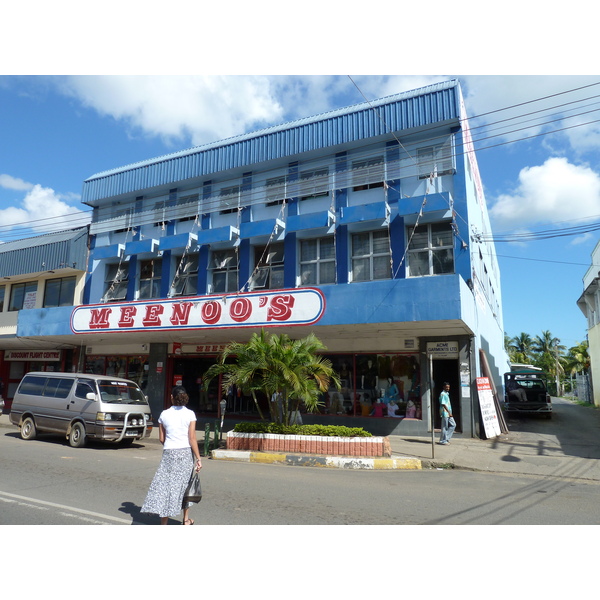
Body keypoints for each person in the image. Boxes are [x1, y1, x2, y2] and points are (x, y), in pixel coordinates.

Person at [141, 386, 202, 525]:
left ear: (172, 397)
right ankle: (186, 520)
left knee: (168, 487)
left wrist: (171, 447)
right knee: (185, 486)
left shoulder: (164, 414)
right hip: (185, 453)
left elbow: (162, 439)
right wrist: (199, 458)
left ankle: (164, 523)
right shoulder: (190, 414)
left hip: (169, 453)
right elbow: (192, 438)